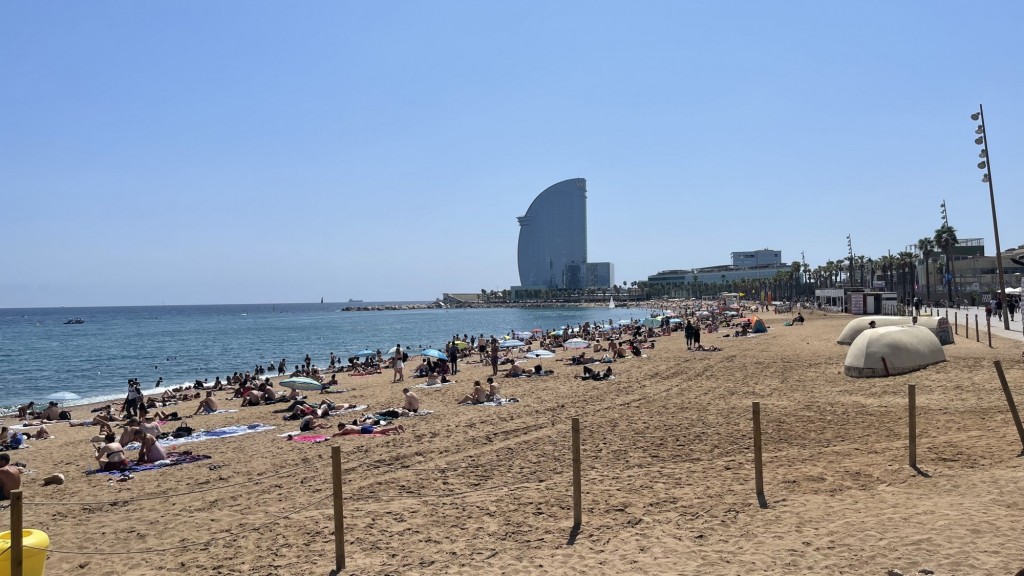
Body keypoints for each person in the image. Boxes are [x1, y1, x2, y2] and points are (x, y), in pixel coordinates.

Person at [333, 422, 404, 436]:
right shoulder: (348, 425)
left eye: (339, 428)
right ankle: (398, 428)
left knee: (380, 431)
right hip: (365, 426)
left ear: (342, 427)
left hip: (363, 430)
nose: (339, 430)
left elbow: (339, 433)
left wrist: (332, 435)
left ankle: (394, 428)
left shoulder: (346, 428)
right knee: (382, 432)